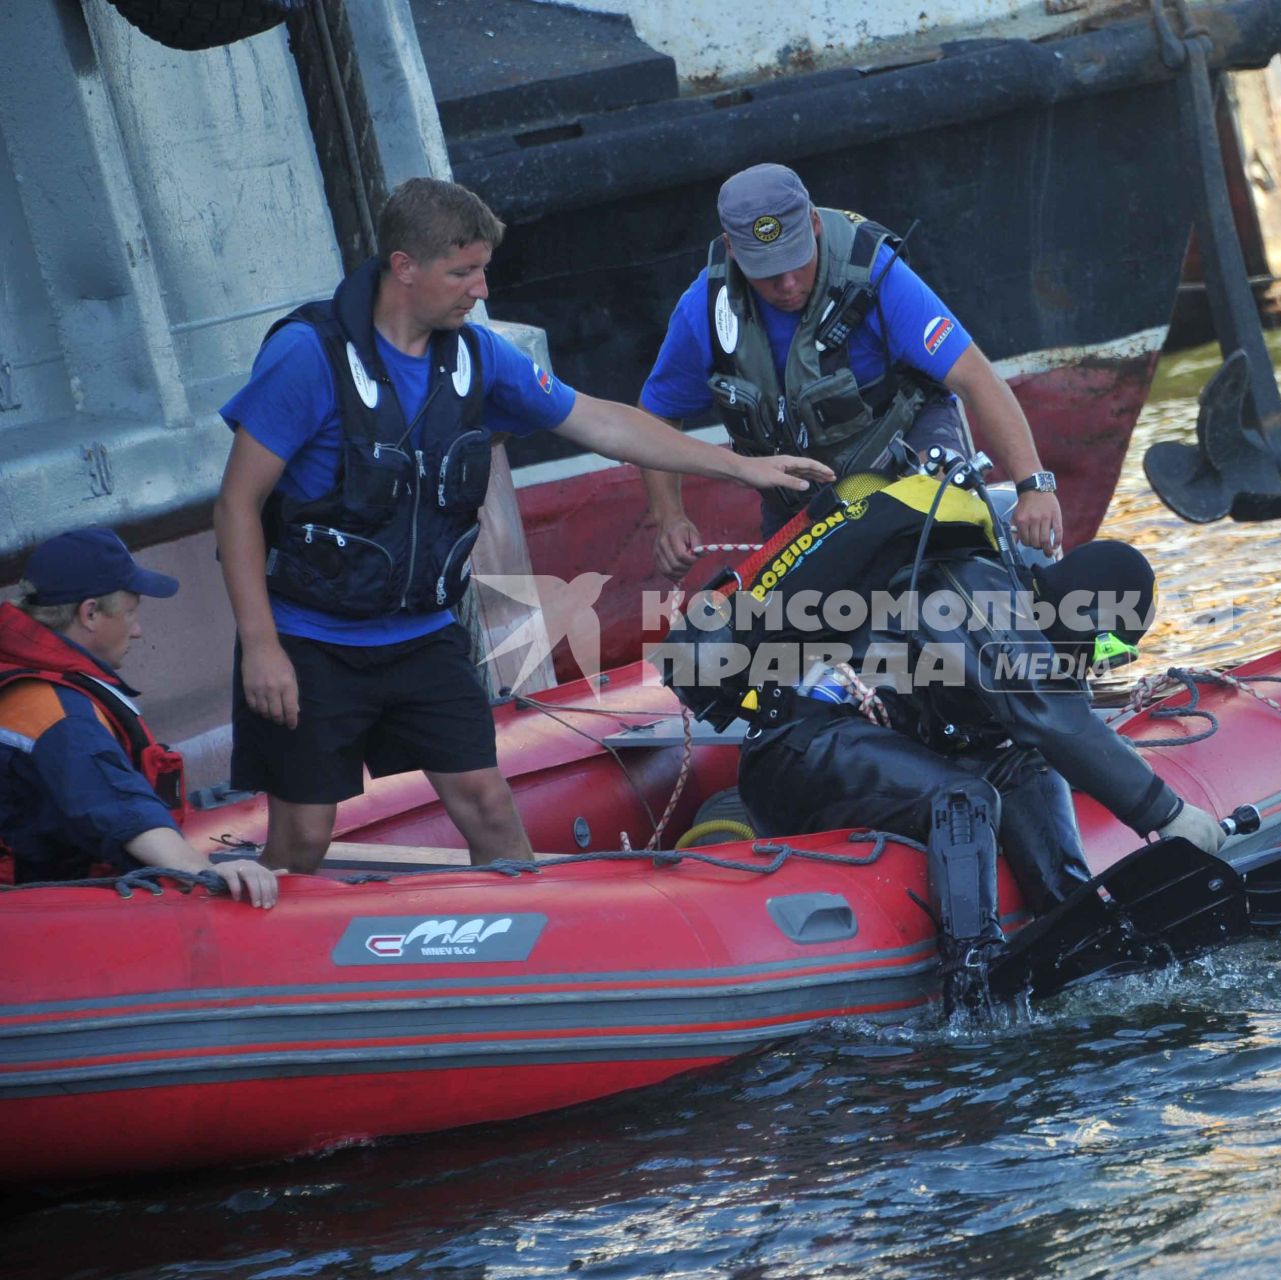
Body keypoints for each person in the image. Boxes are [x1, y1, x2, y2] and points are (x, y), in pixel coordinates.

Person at [215, 177, 832, 875]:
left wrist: (741, 467)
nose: (480, 290)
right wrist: (263, 647)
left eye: (483, 270)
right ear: (404, 268)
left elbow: (601, 420)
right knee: (301, 839)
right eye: (463, 272)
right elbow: (236, 505)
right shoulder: (308, 358)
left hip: (421, 636)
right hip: (312, 640)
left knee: (490, 807)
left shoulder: (478, 359)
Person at [658, 468, 1223, 1004]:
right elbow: (1046, 712)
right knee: (967, 798)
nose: (1104, 666)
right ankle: (973, 976)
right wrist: (1166, 813)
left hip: (871, 742)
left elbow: (1040, 733)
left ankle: (1072, 916)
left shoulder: (1008, 604)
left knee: (1026, 765)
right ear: (1084, 614)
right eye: (1108, 648)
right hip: (799, 747)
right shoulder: (978, 592)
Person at [637, 162, 1065, 579]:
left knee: (929, 571)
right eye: (767, 273)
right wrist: (669, 516)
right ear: (732, 249)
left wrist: (1034, 485)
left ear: (814, 225)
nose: (786, 285)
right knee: (795, 622)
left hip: (907, 461)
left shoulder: (877, 277)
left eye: (795, 262)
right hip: (802, 506)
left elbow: (975, 376)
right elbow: (654, 418)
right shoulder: (704, 310)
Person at [0, 528, 279, 906]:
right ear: (90, 613)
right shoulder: (55, 714)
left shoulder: (21, 667)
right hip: (31, 910)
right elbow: (117, 806)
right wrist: (201, 871)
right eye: (131, 613)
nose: (137, 631)